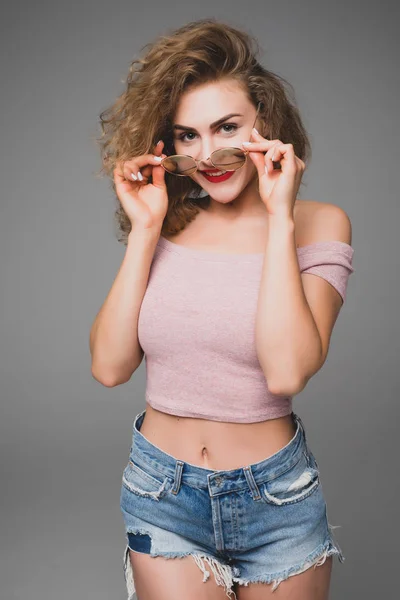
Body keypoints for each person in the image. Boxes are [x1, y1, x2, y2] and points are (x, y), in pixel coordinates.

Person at [90, 18, 354, 600]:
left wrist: (280, 217)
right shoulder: (168, 224)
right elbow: (109, 367)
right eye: (187, 136)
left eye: (227, 127)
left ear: (265, 121)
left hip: (277, 501)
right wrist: (145, 229)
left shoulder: (319, 223)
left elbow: (286, 371)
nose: (207, 155)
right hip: (165, 495)